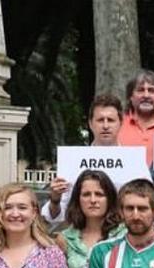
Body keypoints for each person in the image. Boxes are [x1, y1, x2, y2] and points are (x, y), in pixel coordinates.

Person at [44, 94, 124, 224]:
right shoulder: (73, 161)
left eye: (110, 120)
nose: (105, 126)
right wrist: (55, 199)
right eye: (100, 120)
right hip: (82, 231)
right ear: (91, 124)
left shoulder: (134, 162)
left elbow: (152, 207)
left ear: (120, 123)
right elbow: (55, 215)